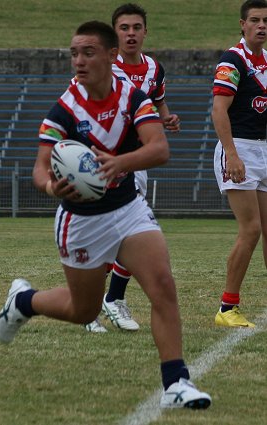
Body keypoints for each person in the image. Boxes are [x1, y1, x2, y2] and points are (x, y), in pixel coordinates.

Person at [0, 20, 211, 409]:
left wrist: (119, 163)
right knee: (84, 310)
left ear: (112, 56)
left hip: (128, 210)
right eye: (74, 53)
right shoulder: (64, 109)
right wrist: (49, 187)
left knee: (162, 285)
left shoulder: (132, 98)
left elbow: (159, 148)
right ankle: (24, 302)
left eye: (88, 52)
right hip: (81, 221)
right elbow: (40, 168)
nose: (78, 60)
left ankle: (176, 384)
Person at [86, 3, 180, 333]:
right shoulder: (103, 68)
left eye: (136, 27)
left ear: (145, 32)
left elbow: (157, 102)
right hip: (103, 162)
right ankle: (95, 305)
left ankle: (110, 299)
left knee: (131, 234)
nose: (130, 34)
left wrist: (166, 118)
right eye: (124, 28)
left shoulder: (154, 68)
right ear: (115, 34)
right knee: (107, 235)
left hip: (136, 162)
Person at [212, 0, 267, 328]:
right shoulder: (233, 60)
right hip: (240, 149)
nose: (262, 25)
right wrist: (232, 154)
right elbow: (219, 110)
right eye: (256, 20)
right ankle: (227, 307)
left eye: (266, 21)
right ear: (242, 25)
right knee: (251, 229)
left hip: (263, 149)